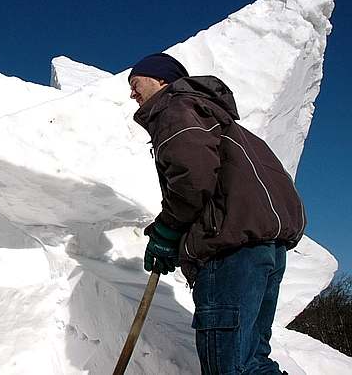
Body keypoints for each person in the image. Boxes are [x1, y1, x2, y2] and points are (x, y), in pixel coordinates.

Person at [128, 53, 305, 374]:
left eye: (135, 82)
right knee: (251, 362)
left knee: (229, 367)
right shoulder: (221, 122)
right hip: (266, 249)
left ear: (162, 80)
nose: (132, 93)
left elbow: (193, 178)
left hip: (229, 253)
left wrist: (168, 231)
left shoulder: (175, 108)